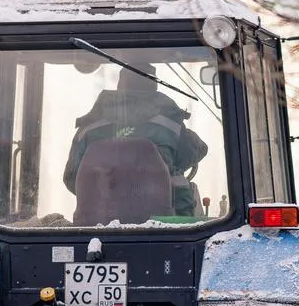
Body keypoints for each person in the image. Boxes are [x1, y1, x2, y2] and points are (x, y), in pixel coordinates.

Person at [63, 65, 208, 218]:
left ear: (120, 86)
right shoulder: (172, 123)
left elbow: (72, 178)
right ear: (154, 85)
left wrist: (110, 190)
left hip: (98, 223)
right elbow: (199, 149)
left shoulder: (88, 127)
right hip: (167, 226)